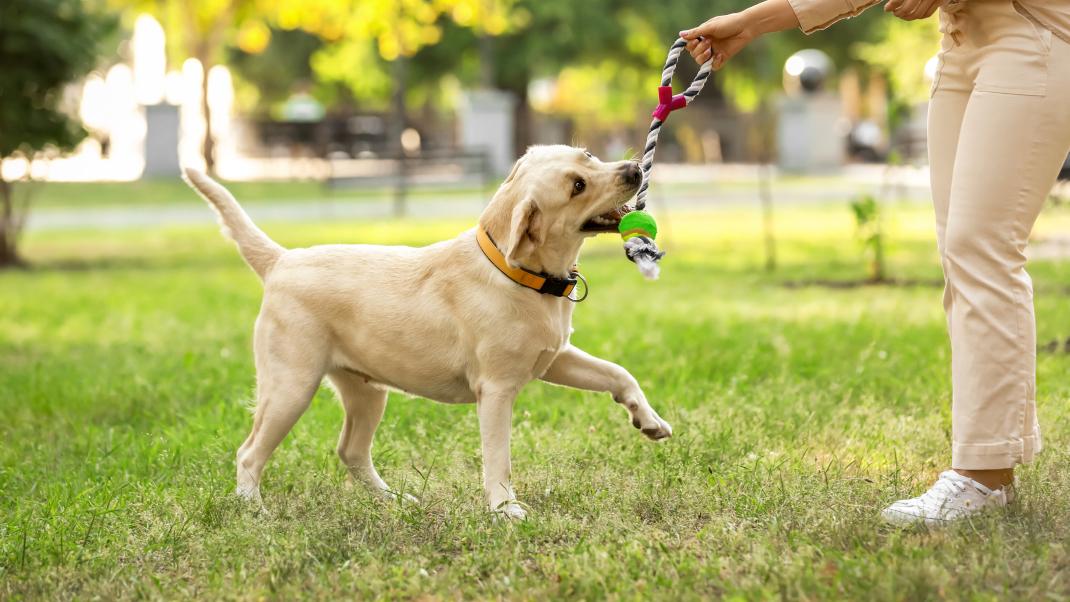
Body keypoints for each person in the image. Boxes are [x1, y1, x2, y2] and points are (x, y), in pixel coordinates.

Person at [681, 0, 1070, 525]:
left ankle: (983, 476)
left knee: (983, 249)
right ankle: (992, 463)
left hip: (1036, 34)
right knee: (963, 256)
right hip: (960, 42)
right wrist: (751, 23)